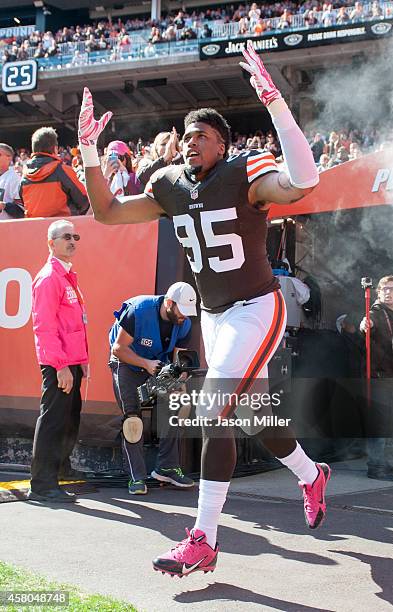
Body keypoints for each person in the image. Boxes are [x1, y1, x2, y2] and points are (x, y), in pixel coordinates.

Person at [78, 40, 331, 577]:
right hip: (215, 318)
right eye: (186, 136)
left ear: (224, 144)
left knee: (213, 406)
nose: (191, 143)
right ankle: (311, 474)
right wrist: (91, 155)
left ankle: (203, 538)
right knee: (255, 419)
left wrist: (276, 104)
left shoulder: (244, 175)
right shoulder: (168, 184)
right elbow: (104, 212)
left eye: (202, 137)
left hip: (257, 307)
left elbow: (304, 180)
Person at [109, 282, 197, 495]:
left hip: (157, 366)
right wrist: (146, 364)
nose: (184, 316)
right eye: (181, 311)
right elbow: (118, 349)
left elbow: (179, 357)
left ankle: (166, 467)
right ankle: (136, 477)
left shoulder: (184, 323)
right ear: (169, 303)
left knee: (181, 406)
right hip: (127, 363)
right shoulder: (138, 311)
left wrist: (180, 380)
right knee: (133, 420)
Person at [28, 219, 90, 503]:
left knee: (68, 418)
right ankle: (42, 485)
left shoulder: (67, 276)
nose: (73, 241)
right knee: (53, 419)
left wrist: (81, 361)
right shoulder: (49, 277)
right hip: (58, 364)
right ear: (51, 243)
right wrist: (60, 365)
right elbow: (44, 327)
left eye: (75, 236)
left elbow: (74, 323)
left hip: (71, 362)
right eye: (66, 237)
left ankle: (59, 471)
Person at [360, 276, 393, 481]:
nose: (388, 292)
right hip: (379, 378)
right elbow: (365, 325)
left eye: (392, 289)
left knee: (389, 422)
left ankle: (382, 461)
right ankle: (375, 466)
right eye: (384, 289)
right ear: (378, 292)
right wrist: (365, 326)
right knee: (379, 423)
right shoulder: (375, 314)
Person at [20, 127, 89, 218]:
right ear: (55, 149)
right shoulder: (64, 170)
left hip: (34, 227)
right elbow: (84, 202)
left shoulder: (24, 175)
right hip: (64, 226)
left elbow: (23, 202)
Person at [0, 143, 24, 220]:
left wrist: (4, 206)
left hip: (7, 227)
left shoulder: (15, 178)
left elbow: (21, 211)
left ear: (9, 158)